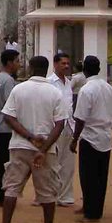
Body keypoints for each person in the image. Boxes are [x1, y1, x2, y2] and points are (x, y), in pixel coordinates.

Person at [0, 55, 67, 223]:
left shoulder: (19, 89)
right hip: (44, 150)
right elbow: (59, 125)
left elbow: (9, 117)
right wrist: (43, 146)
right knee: (48, 192)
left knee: (12, 188)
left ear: (31, 68)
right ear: (47, 68)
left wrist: (28, 136)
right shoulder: (54, 92)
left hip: (20, 146)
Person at [70, 55, 112, 222]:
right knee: (101, 176)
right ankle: (92, 207)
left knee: (88, 176)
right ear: (99, 69)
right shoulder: (108, 87)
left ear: (84, 71)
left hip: (90, 136)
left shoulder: (86, 90)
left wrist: (75, 139)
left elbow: (80, 118)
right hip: (105, 135)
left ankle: (91, 213)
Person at [46, 52, 76, 207]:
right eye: (63, 63)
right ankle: (48, 195)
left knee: (68, 164)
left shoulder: (69, 83)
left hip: (69, 126)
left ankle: (65, 196)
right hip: (55, 127)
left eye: (67, 63)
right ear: (55, 64)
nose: (66, 66)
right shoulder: (49, 83)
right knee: (52, 163)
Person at [0, 49, 19, 206]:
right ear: (9, 62)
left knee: (1, 162)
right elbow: (11, 104)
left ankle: (1, 194)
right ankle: (4, 195)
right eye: (17, 61)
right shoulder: (7, 80)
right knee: (7, 164)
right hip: (6, 127)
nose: (18, 64)